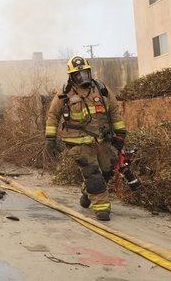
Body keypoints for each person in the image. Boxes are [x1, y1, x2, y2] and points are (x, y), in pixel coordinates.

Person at [45, 56, 127, 221]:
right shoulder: (65, 93)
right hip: (77, 141)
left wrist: (120, 134)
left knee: (107, 170)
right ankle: (102, 209)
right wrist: (50, 138)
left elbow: (114, 111)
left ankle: (87, 192)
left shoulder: (101, 89)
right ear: (72, 77)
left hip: (102, 139)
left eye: (85, 73)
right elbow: (53, 115)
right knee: (92, 173)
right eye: (78, 75)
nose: (83, 77)